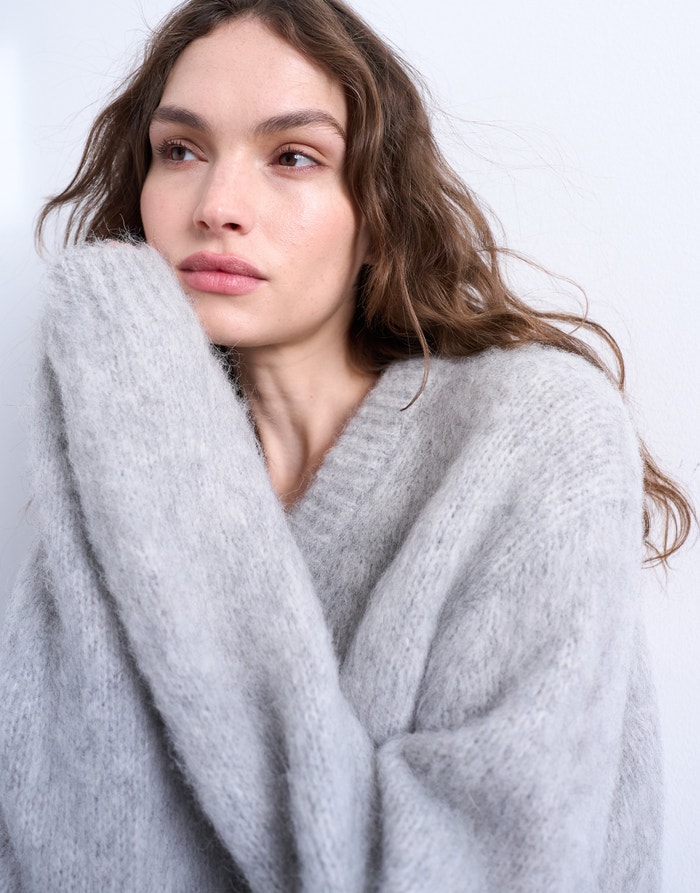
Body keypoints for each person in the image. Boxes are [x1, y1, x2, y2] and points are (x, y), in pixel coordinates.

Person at [0, 0, 694, 890]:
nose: (216, 207)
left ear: (378, 209)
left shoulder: (533, 437)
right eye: (180, 150)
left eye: (293, 156)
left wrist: (133, 364)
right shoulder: (124, 450)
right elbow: (50, 832)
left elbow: (477, 869)